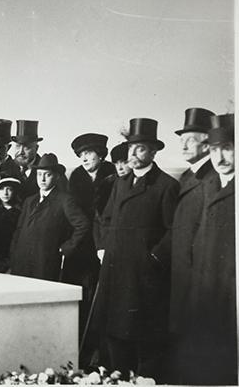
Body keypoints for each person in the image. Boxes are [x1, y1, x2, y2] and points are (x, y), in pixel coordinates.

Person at [95, 118, 179, 380]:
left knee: (145, 342)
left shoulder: (166, 186)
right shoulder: (121, 182)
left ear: (154, 152)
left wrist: (153, 257)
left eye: (140, 148)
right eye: (130, 147)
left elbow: (174, 230)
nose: (132, 154)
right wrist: (104, 247)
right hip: (116, 273)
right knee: (116, 337)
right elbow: (106, 218)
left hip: (144, 279)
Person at [177, 113, 235, 385]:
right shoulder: (207, 185)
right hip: (203, 292)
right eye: (214, 151)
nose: (220, 158)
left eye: (228, 149)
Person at [160, 108, 216, 361]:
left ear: (207, 143)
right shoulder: (187, 176)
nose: (183, 144)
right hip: (180, 270)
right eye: (181, 139)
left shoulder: (213, 179)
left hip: (200, 274)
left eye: (190, 139)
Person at [68, 133, 116, 365]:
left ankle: (101, 353)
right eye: (81, 155)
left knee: (104, 297)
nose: (84, 158)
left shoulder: (112, 173)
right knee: (84, 297)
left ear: (101, 154)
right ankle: (83, 352)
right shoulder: (76, 176)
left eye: (88, 153)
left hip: (105, 245)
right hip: (83, 248)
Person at [9, 153, 90, 282]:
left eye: (47, 175)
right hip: (22, 260)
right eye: (39, 174)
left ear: (57, 176)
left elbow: (83, 225)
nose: (42, 179)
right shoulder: (30, 201)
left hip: (45, 261)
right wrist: (13, 255)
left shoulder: (64, 200)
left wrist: (66, 247)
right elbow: (19, 230)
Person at [11, 120, 44, 199]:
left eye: (27, 147)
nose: (21, 152)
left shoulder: (47, 169)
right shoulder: (6, 168)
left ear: (36, 148)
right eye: (18, 146)